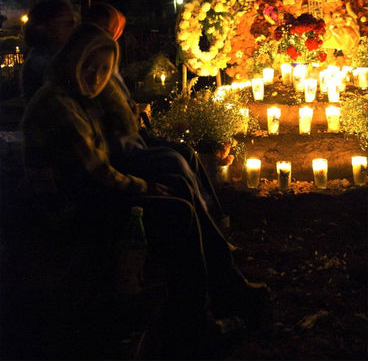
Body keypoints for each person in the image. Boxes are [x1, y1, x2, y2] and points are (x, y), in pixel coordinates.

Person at [21, 24, 271, 359]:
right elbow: (94, 175)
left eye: (105, 69)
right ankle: (195, 325)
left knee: (179, 183)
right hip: (73, 211)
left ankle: (227, 288)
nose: (97, 76)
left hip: (89, 196)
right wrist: (143, 185)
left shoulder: (77, 97)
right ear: (72, 61)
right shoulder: (59, 106)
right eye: (89, 65)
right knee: (176, 211)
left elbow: (109, 154)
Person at [83, 2, 228, 227]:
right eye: (103, 28)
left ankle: (215, 215)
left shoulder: (107, 58)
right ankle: (205, 221)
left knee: (186, 151)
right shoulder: (87, 70)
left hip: (130, 138)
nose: (107, 33)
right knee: (175, 162)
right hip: (119, 149)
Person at [21, 0, 77, 103]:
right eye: (68, 23)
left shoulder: (56, 56)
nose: (74, 28)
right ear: (43, 27)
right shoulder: (42, 63)